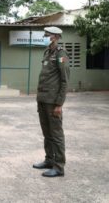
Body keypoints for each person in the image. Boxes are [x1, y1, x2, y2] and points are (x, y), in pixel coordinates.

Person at [33, 26, 70, 177]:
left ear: (55, 36)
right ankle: (49, 160)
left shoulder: (61, 54)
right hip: (43, 99)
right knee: (47, 133)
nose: (45, 37)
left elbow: (65, 80)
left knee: (56, 135)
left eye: (47, 35)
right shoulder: (48, 52)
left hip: (53, 101)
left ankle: (59, 167)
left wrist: (59, 104)